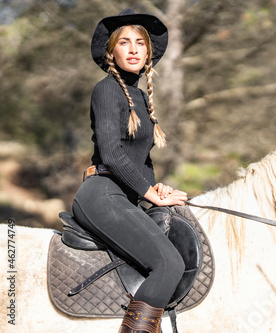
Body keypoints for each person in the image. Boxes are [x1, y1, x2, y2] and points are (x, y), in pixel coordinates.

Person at [72, 9, 187, 333]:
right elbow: (112, 153)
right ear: (112, 52)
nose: (134, 49)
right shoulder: (107, 90)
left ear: (149, 53)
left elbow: (140, 162)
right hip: (101, 195)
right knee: (168, 263)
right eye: (125, 42)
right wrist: (148, 193)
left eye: (140, 43)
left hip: (123, 197)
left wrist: (155, 187)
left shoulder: (138, 96)